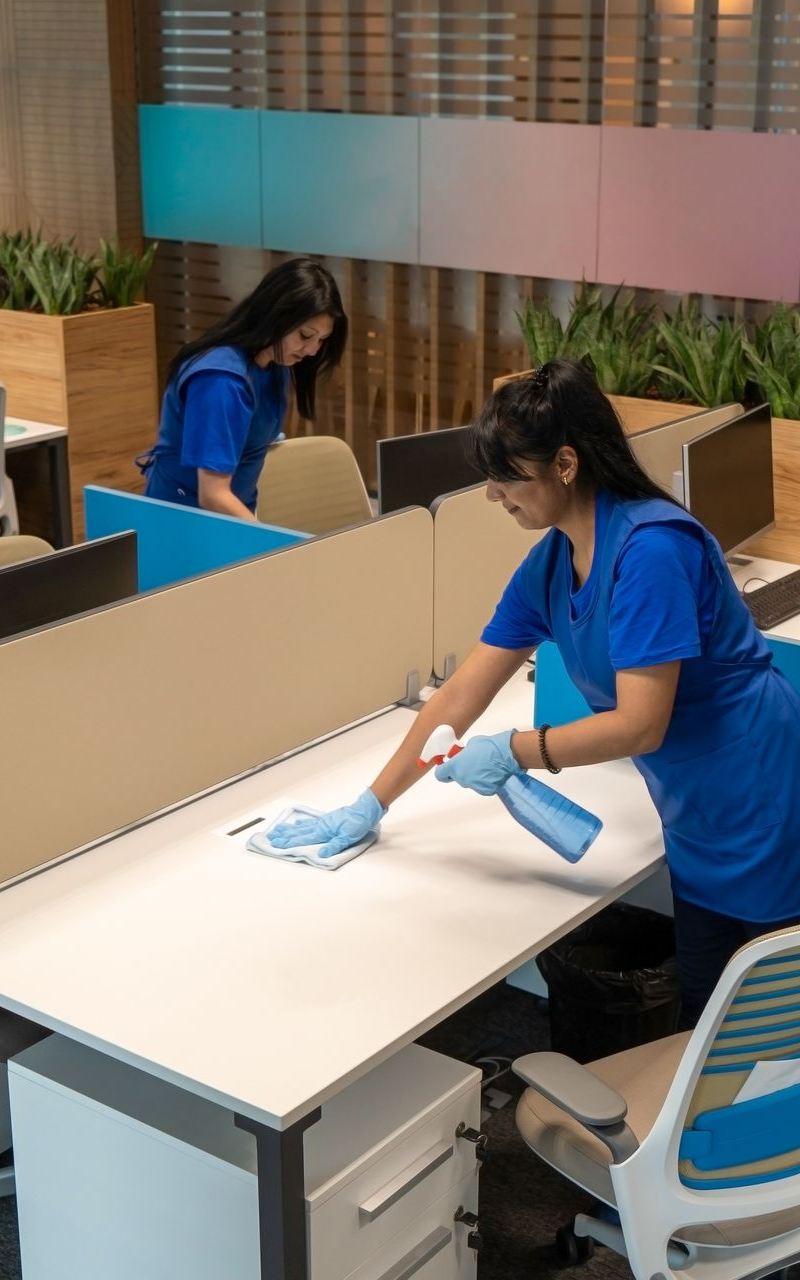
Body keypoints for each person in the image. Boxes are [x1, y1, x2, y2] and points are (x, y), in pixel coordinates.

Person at [270, 359, 800, 1028]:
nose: (493, 496)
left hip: (759, 792)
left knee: (767, 1029)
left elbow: (640, 724)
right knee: (703, 1015)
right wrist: (369, 805)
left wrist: (516, 751)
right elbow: (464, 689)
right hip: (693, 807)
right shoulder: (553, 559)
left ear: (566, 464)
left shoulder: (651, 551)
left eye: (506, 478)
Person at [136, 257, 348, 519]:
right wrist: (267, 540)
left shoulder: (272, 361)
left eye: (322, 340)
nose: (313, 350)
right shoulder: (221, 382)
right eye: (305, 335)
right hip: (184, 523)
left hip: (231, 516)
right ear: (274, 316)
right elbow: (213, 494)